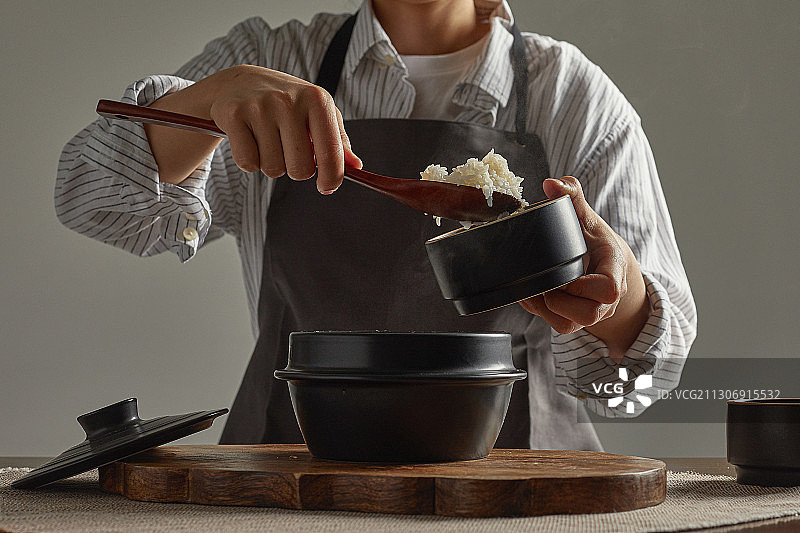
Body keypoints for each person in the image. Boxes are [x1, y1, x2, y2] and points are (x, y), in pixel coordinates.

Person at [55, 0, 696, 450]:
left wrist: (616, 300)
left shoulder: (572, 94)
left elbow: (645, 380)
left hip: (514, 484)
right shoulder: (267, 57)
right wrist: (209, 98)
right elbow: (89, 199)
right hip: (291, 478)